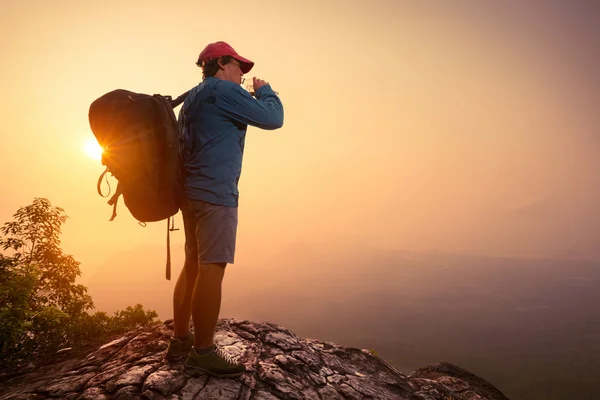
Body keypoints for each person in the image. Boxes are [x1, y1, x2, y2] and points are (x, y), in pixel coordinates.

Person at [165, 41, 284, 377]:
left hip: (189, 193)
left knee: (192, 263)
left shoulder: (193, 96)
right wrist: (266, 91)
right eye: (239, 68)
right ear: (221, 63)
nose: (243, 75)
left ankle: (180, 340)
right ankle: (203, 352)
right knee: (212, 268)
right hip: (216, 195)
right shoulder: (224, 91)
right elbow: (274, 119)